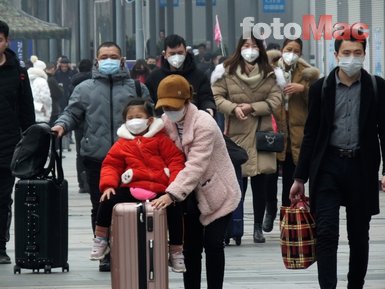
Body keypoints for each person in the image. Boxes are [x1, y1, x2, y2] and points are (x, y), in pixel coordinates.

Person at [290, 35, 385, 289]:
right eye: (346, 52)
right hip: (328, 167)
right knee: (327, 231)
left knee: (358, 235)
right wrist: (299, 178)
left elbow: (383, 131)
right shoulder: (321, 88)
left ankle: (355, 284)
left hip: (361, 168)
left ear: (364, 55)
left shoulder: (376, 87)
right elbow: (311, 134)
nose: (351, 58)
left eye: (357, 52)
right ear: (336, 55)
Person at [51, 41, 150, 272]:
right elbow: (71, 113)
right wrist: (60, 127)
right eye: (104, 56)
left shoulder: (136, 89)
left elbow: (150, 117)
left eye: (113, 56)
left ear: (122, 60)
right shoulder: (84, 88)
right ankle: (106, 251)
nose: (109, 60)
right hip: (97, 158)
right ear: (97, 60)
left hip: (131, 158)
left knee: (131, 204)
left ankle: (129, 249)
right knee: (101, 205)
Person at [152, 74, 241, 289]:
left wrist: (171, 193)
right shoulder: (165, 122)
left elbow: (196, 165)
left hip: (218, 191)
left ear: (187, 100)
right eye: (165, 107)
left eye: (173, 106)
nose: (169, 111)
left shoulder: (204, 123)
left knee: (213, 244)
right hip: (189, 194)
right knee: (191, 247)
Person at [90, 99, 187, 272]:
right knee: (107, 199)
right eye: (130, 117)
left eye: (139, 116)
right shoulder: (122, 143)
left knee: (174, 208)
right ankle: (101, 238)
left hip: (159, 188)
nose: (134, 120)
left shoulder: (161, 140)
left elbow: (175, 161)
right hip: (132, 186)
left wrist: (172, 187)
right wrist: (108, 185)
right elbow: (110, 165)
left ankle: (176, 250)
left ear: (149, 120)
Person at [211, 34, 282, 243]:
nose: (250, 49)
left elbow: (276, 99)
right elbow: (217, 97)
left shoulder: (270, 73)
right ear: (239, 48)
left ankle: (257, 227)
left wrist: (253, 107)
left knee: (261, 183)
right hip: (236, 134)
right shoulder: (226, 71)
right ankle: (232, 227)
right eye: (246, 45)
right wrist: (233, 108)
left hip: (262, 134)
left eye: (254, 46)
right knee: (235, 184)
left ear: (260, 49)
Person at [262, 38, 319, 233]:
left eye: (296, 50)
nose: (291, 53)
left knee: (291, 178)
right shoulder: (269, 70)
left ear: (300, 53)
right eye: (288, 49)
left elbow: (318, 99)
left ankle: (286, 218)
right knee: (268, 176)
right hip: (273, 130)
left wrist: (303, 89)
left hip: (296, 134)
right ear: (281, 49)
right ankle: (270, 206)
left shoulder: (307, 73)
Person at [0, 20, 35, 264]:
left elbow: (27, 111)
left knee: (3, 198)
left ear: (6, 42)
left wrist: (30, 143)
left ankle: (0, 245)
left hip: (8, 146)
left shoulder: (18, 73)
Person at [145, 34, 216, 117]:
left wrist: (209, 111)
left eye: (180, 53)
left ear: (186, 52)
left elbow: (206, 98)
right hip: (163, 123)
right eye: (172, 54)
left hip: (193, 123)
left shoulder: (199, 76)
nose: (176, 57)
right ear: (164, 54)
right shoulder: (154, 77)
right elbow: (149, 102)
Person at [69, 58, 93, 194]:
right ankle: (91, 181)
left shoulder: (73, 81)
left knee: (80, 153)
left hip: (78, 123)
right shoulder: (94, 82)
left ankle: (82, 183)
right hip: (92, 122)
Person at [28, 56, 52, 123]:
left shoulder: (27, 80)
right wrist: (45, 109)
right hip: (42, 114)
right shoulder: (42, 81)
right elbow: (45, 97)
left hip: (30, 114)